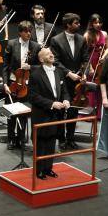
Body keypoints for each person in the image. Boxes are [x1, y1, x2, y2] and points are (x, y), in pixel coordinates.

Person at [29, 48, 71, 179]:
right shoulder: (35, 74)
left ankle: (48, 168)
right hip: (42, 114)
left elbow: (64, 90)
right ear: (41, 59)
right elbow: (33, 96)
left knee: (52, 142)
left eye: (52, 53)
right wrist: (51, 104)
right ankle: (39, 170)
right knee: (41, 143)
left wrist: (66, 99)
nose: (51, 54)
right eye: (48, 54)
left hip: (55, 115)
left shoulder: (58, 72)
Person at [49, 13, 89, 149]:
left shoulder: (82, 39)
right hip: (62, 79)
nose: (79, 25)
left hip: (77, 81)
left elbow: (85, 59)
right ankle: (61, 138)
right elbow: (55, 61)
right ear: (68, 25)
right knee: (60, 110)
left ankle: (71, 138)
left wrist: (84, 73)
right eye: (76, 23)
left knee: (73, 110)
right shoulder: (56, 40)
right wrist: (68, 73)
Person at [2, 21, 41, 149]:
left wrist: (30, 67)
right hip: (13, 83)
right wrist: (5, 83)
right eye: (26, 31)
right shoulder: (12, 44)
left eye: (30, 31)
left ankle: (21, 139)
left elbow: (40, 67)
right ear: (20, 32)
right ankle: (11, 139)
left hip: (27, 85)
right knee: (12, 112)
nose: (28, 33)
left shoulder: (35, 46)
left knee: (23, 113)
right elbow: (5, 66)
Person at [84, 14, 108, 120]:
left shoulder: (104, 33)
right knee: (91, 86)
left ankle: (99, 114)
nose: (98, 25)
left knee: (101, 85)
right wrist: (89, 67)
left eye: (100, 22)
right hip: (91, 61)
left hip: (101, 63)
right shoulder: (87, 35)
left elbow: (107, 48)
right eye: (96, 22)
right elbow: (85, 53)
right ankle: (88, 114)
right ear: (91, 23)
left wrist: (104, 56)